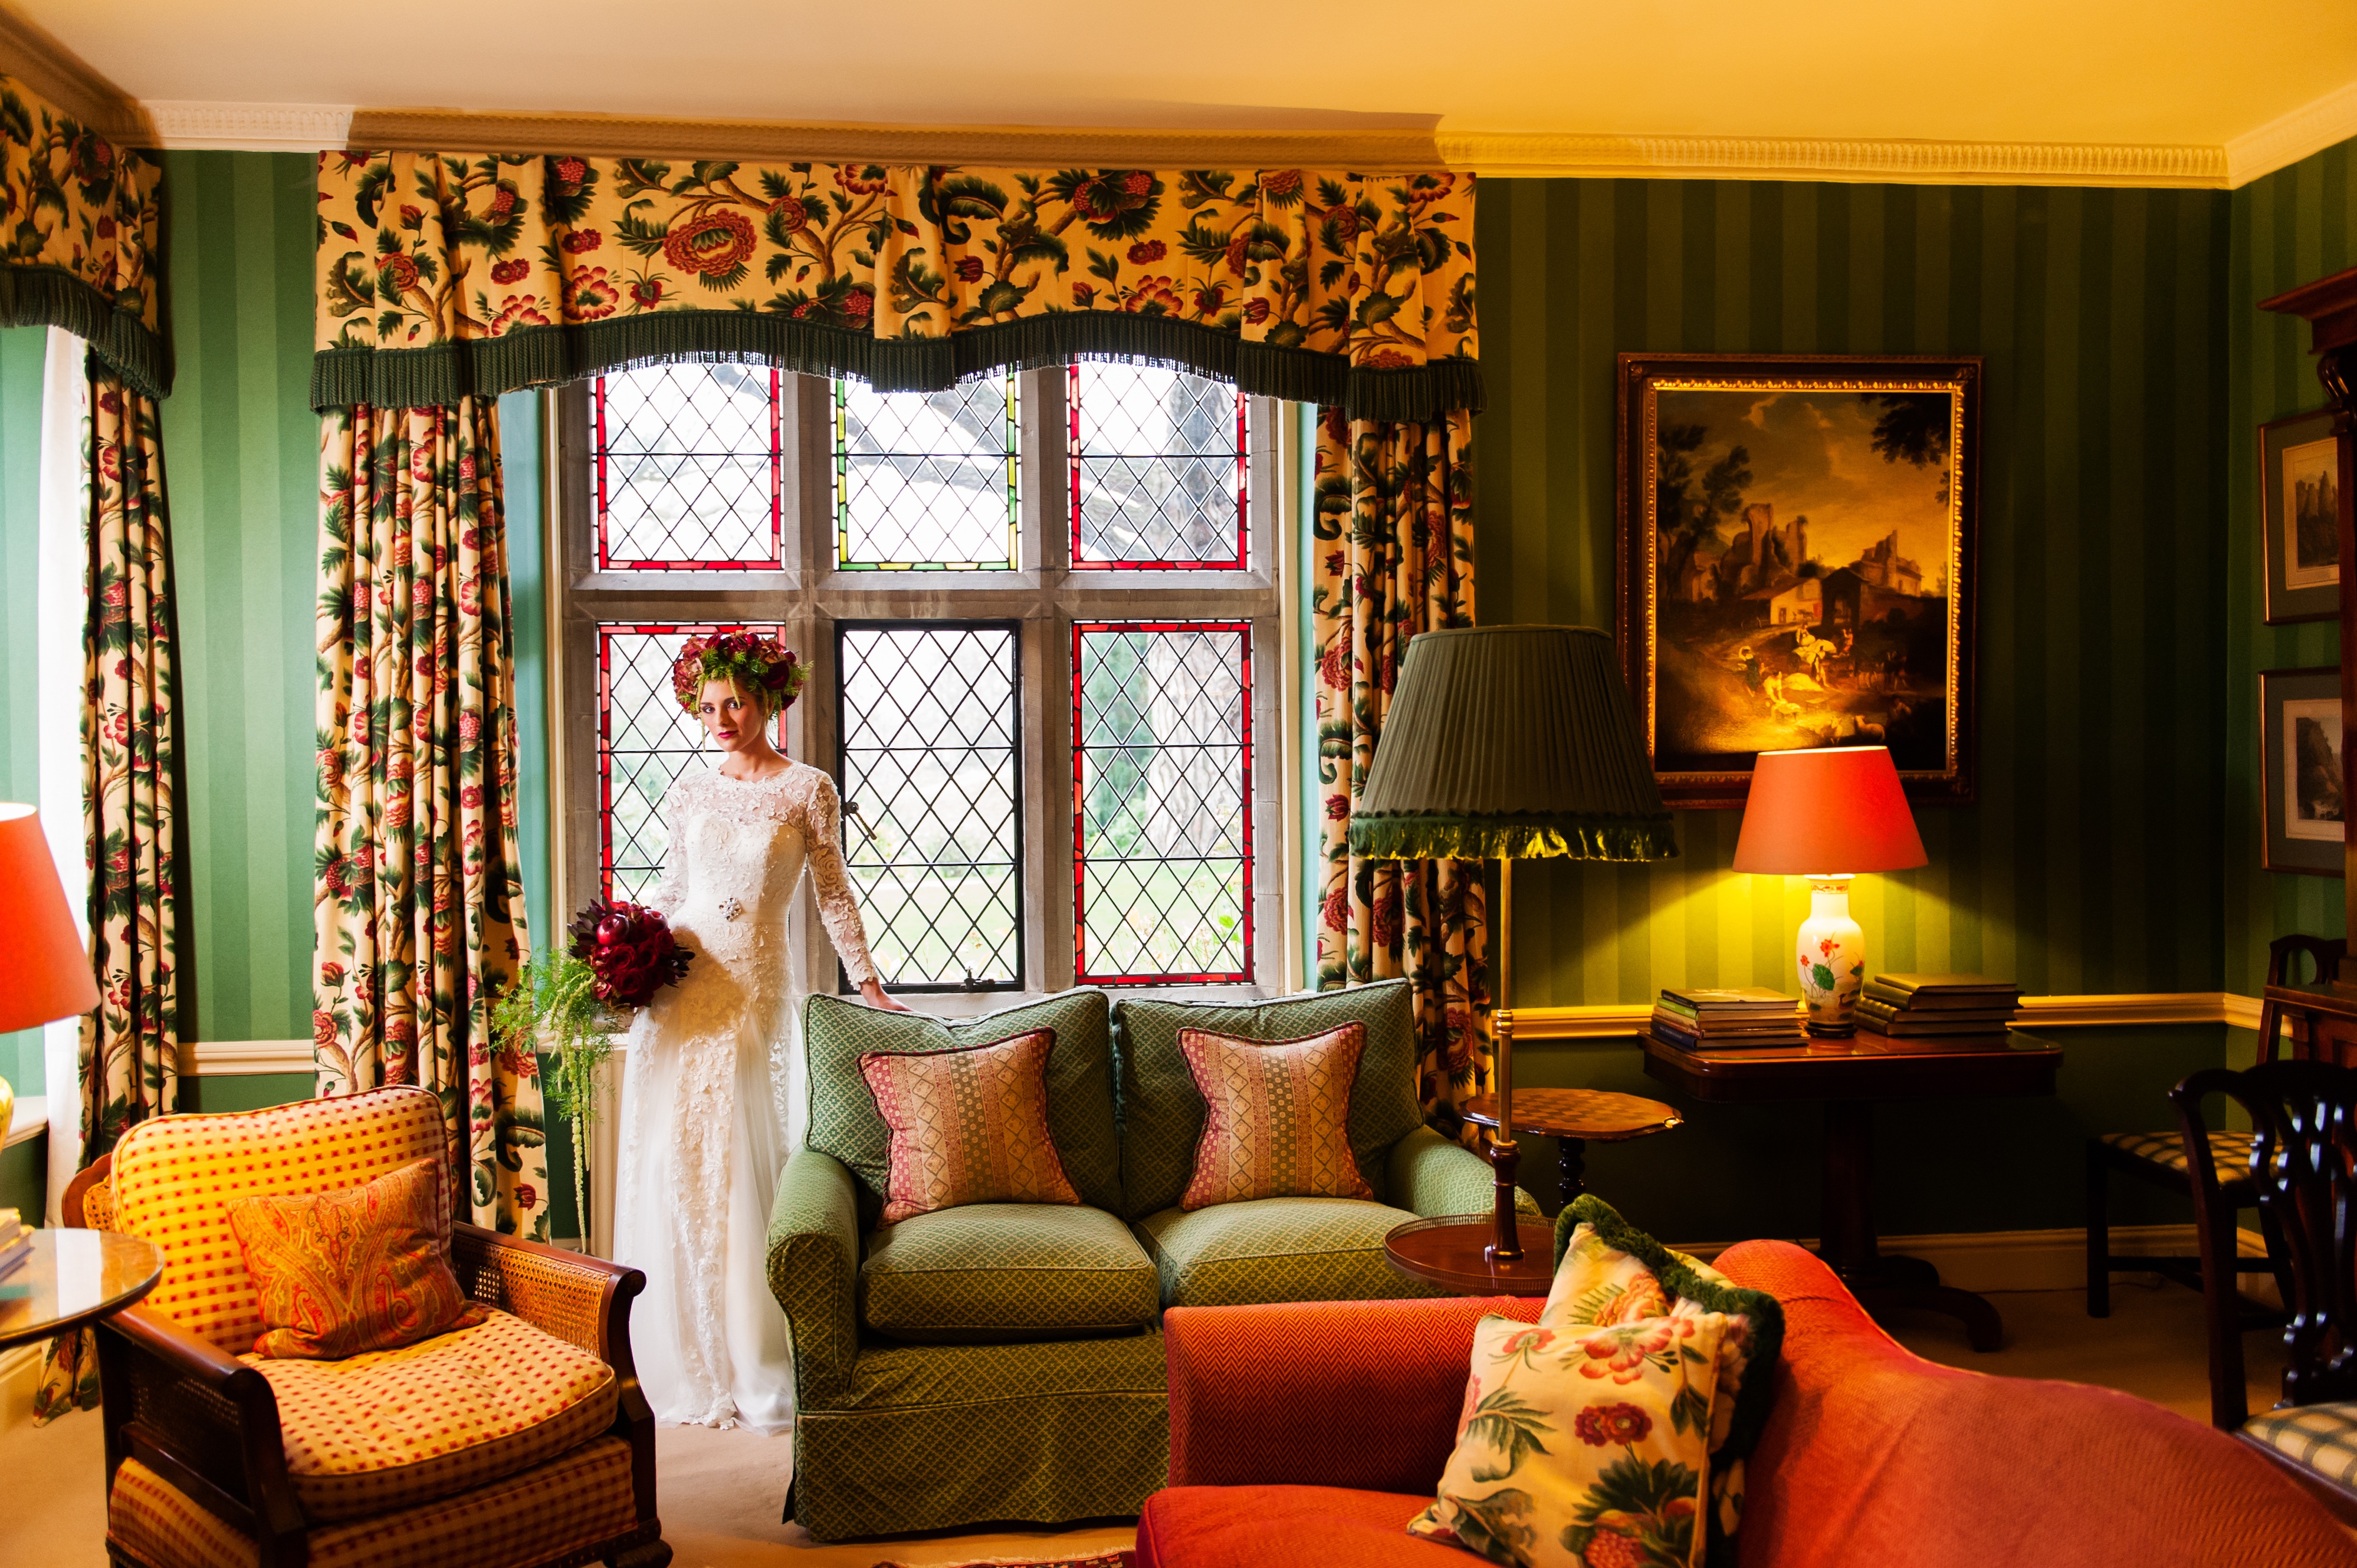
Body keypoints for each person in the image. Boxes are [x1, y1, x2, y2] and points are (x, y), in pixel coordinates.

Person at [610, 631, 904, 1432]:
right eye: (706, 707)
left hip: (755, 993)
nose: (720, 718)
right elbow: (672, 892)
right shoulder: (688, 793)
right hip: (684, 988)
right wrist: (627, 965)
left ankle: (754, 1356)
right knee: (678, 1163)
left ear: (770, 697)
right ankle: (687, 1357)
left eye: (734, 701)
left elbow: (834, 897)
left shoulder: (808, 790)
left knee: (742, 1164)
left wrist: (872, 986)